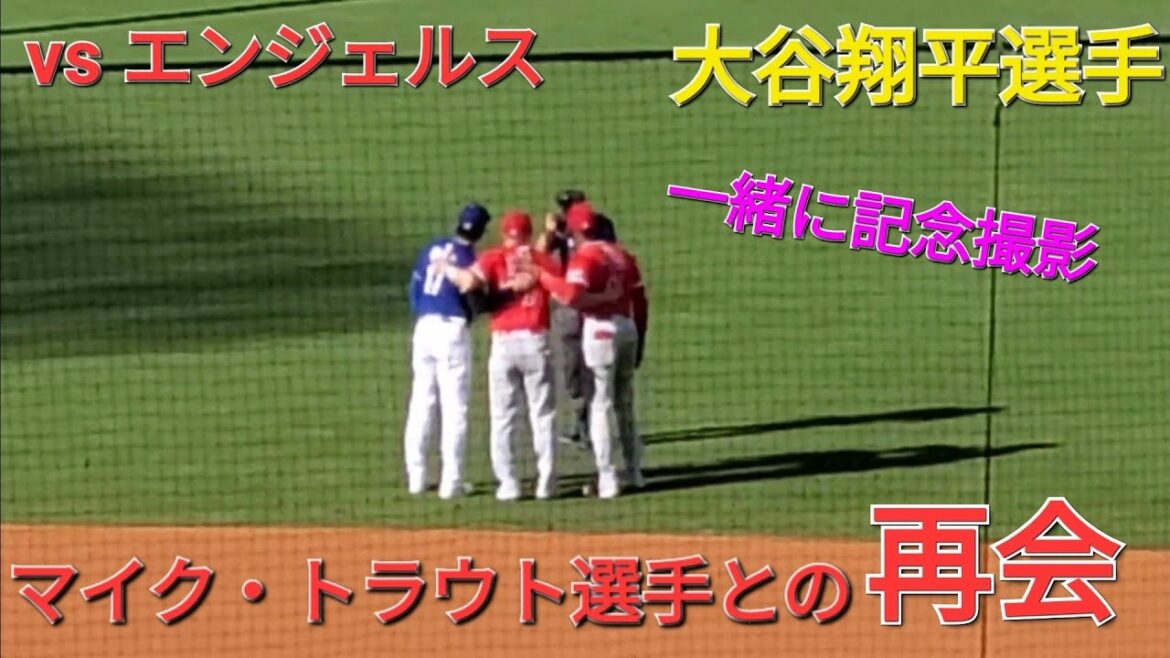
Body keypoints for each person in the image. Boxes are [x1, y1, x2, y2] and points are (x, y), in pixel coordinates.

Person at [532, 202, 648, 499]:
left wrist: (543, 277)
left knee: (600, 403)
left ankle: (607, 479)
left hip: (600, 331)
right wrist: (640, 340)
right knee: (625, 403)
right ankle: (635, 472)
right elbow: (640, 301)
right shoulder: (622, 255)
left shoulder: (585, 257)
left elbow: (571, 296)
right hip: (628, 329)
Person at [445, 211, 561, 500]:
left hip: (504, 344)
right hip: (535, 340)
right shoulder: (541, 259)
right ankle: (546, 482)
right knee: (542, 415)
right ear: (528, 232)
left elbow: (468, 281)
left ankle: (508, 484)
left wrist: (448, 269)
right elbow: (561, 290)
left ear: (504, 232)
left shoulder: (493, 257)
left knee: (502, 418)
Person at [402, 203, 491, 499]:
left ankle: (416, 478)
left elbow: (414, 291)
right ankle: (451, 483)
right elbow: (475, 301)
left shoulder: (431, 248)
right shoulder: (471, 259)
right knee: (455, 407)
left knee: (421, 401)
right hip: (451, 330)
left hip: (424, 327)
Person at [536, 190, 618, 451]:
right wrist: (550, 233)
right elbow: (538, 253)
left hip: (591, 306)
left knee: (592, 368)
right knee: (572, 370)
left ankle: (592, 428)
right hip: (569, 308)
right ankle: (583, 424)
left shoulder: (601, 225)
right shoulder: (561, 229)